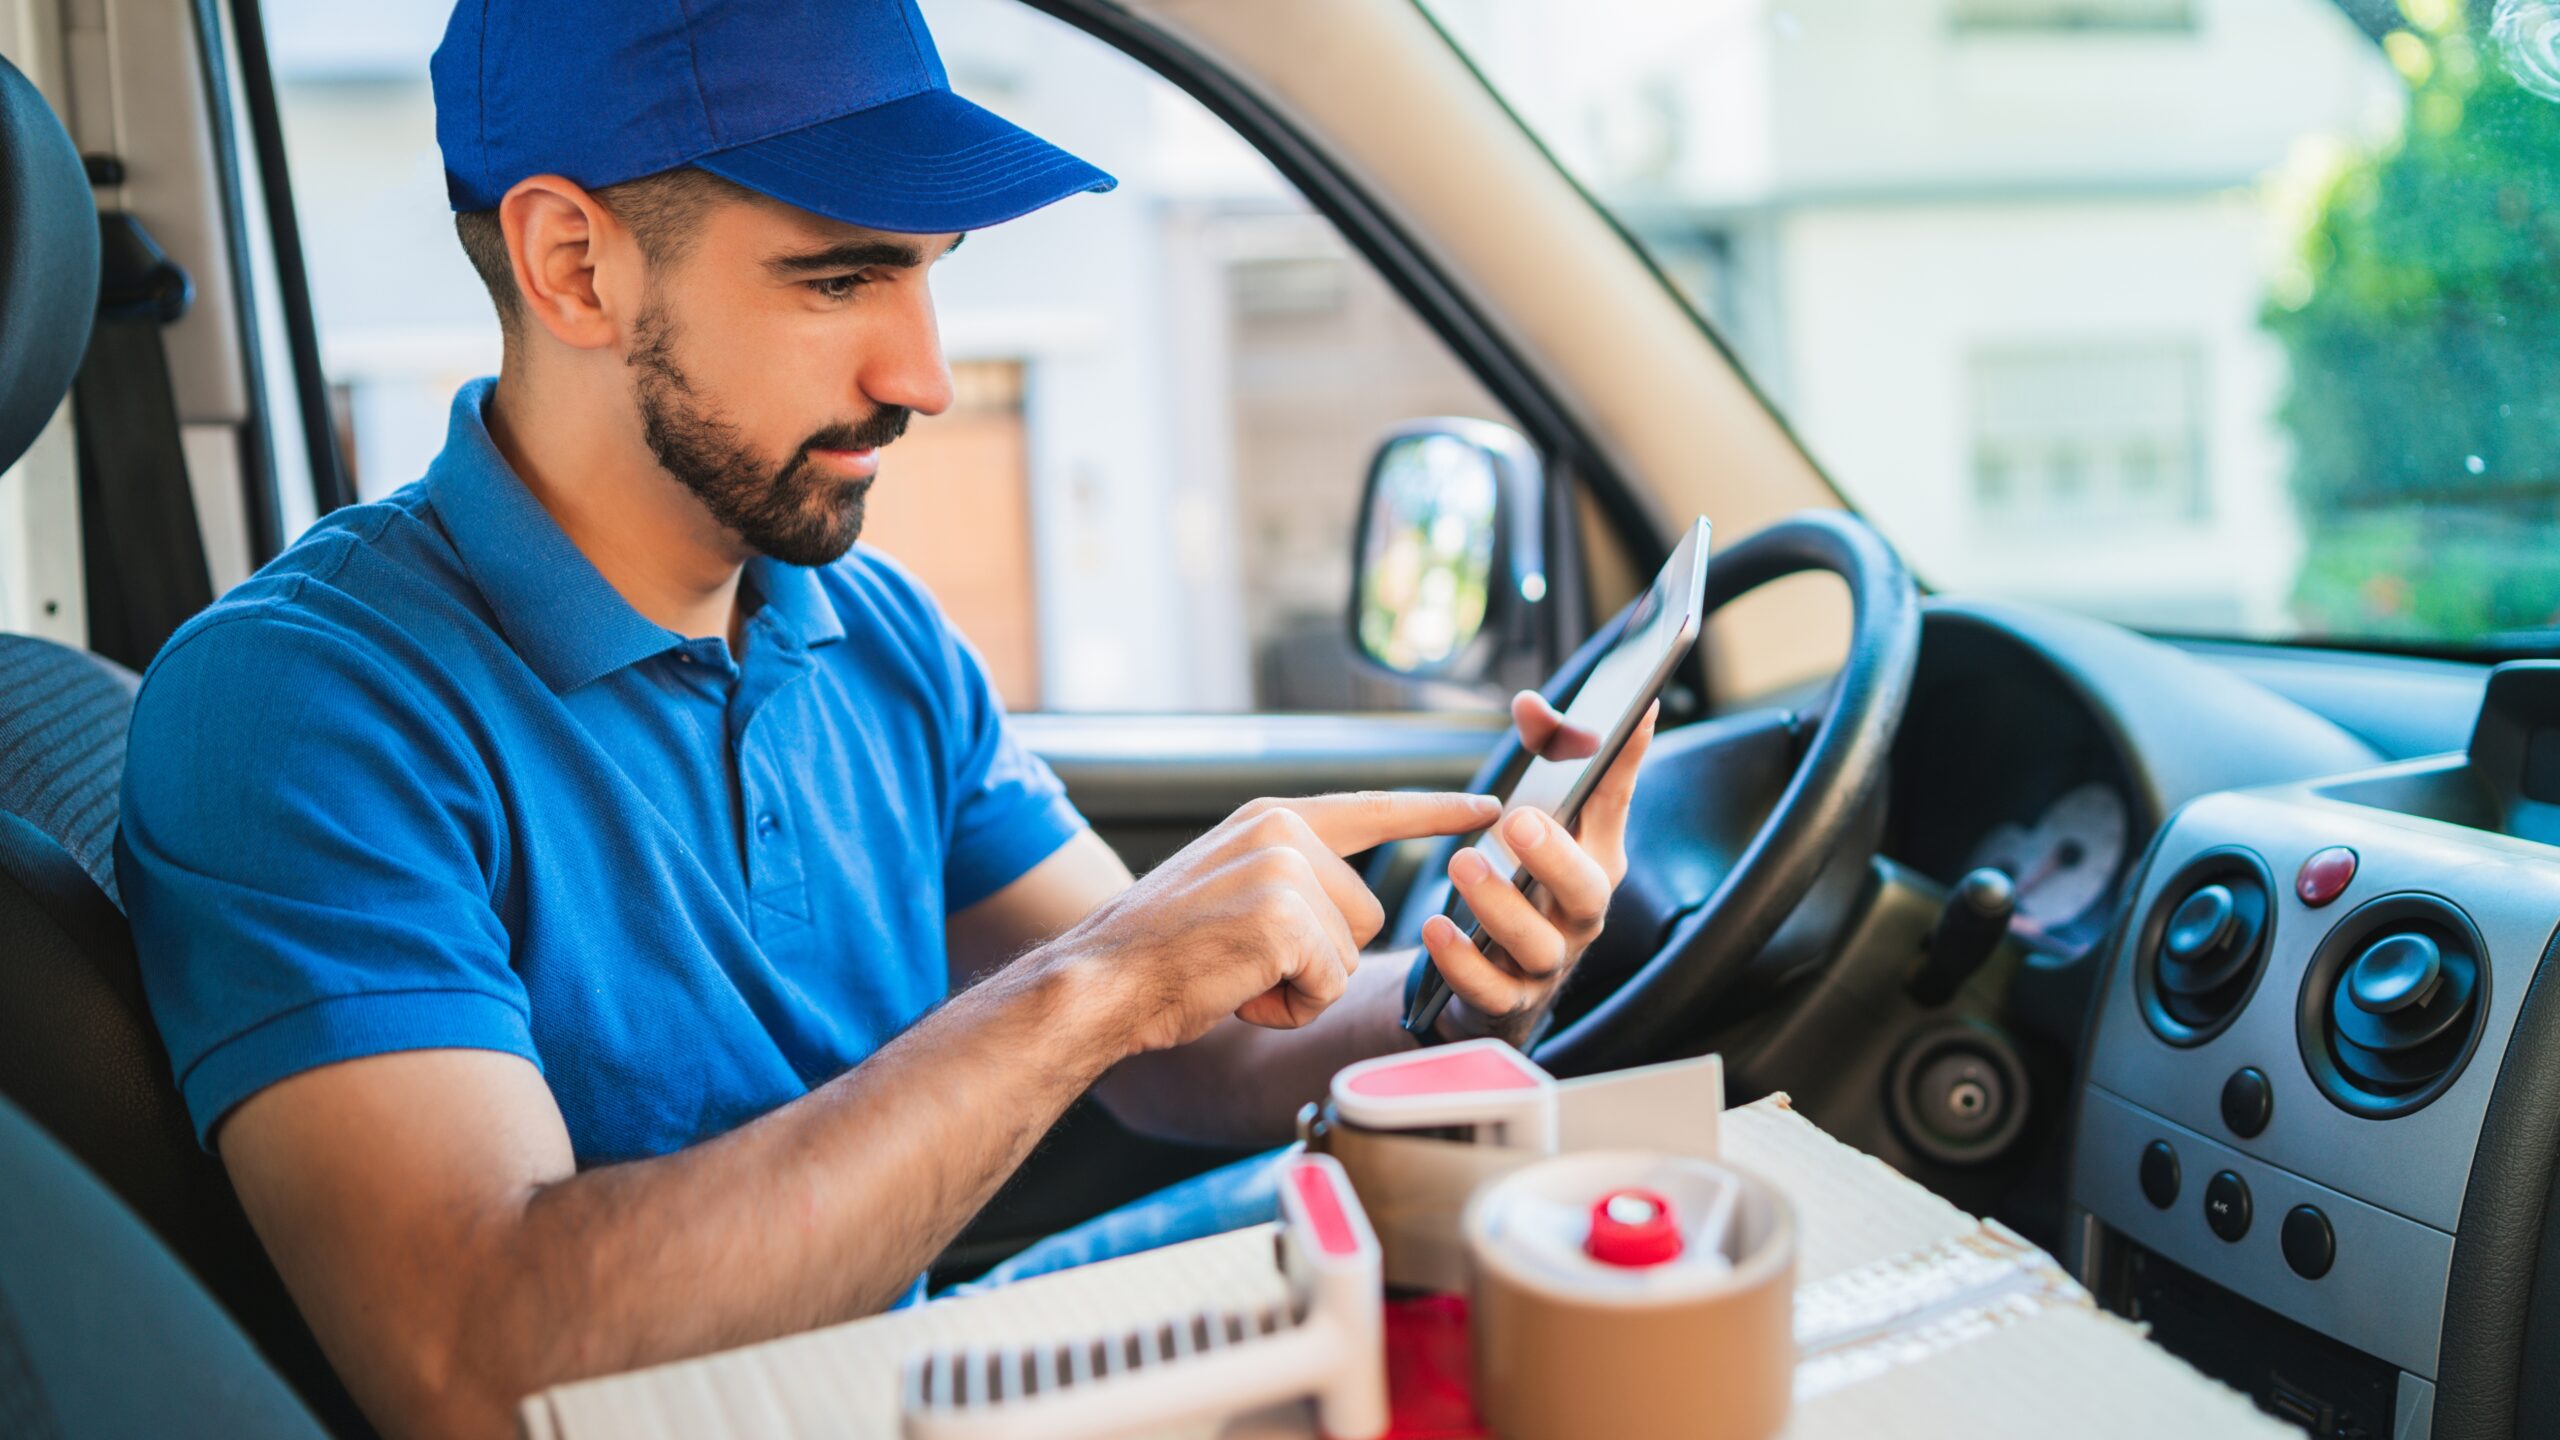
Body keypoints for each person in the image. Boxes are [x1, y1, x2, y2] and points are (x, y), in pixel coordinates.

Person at [115, 2, 1653, 1437]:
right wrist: (1097, 982)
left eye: (929, 271)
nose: (921, 372)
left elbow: (1184, 1058)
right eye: (840, 278)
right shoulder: (301, 709)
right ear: (574, 265)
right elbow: (480, 1360)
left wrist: (1450, 995)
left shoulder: (873, 631)